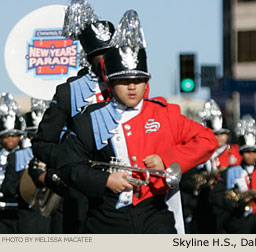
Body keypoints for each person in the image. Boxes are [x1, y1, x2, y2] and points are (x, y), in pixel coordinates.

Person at [54, 9, 218, 234]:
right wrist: (105, 180)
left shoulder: (165, 114)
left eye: (138, 80)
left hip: (154, 211)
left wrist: (166, 159)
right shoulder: (89, 119)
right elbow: (68, 166)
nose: (132, 86)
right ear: (110, 83)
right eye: (124, 81)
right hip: (106, 214)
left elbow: (207, 139)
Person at [30, 0, 115, 233]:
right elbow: (42, 143)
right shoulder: (70, 92)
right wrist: (70, 165)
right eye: (101, 54)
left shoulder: (131, 87)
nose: (107, 59)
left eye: (112, 52)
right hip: (81, 194)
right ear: (89, 56)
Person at [209, 115, 256, 234]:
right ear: (241, 153)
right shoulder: (230, 172)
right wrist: (234, 203)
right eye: (247, 152)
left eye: (254, 152)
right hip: (238, 220)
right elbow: (216, 196)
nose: (251, 155)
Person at [186, 99, 241, 233]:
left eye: (223, 133)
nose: (220, 137)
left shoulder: (236, 152)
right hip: (204, 205)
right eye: (216, 134)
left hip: (230, 205)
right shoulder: (198, 152)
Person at [1, 98, 53, 233]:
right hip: (27, 215)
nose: (11, 139)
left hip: (51, 216)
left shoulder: (60, 155)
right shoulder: (17, 157)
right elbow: (8, 188)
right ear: (29, 136)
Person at [0, 93, 25, 233]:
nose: (10, 139)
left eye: (14, 135)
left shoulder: (27, 156)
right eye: (5, 135)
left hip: (20, 211)